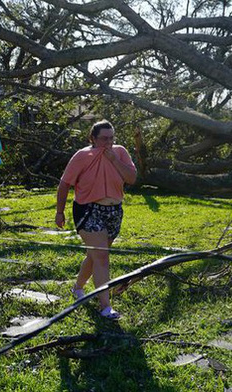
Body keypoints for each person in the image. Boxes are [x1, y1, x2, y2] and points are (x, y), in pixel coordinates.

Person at [55, 120, 137, 319]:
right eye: (103, 139)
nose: (108, 143)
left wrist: (114, 160)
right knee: (102, 257)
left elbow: (132, 178)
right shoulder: (82, 156)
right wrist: (60, 211)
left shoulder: (120, 152)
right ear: (93, 138)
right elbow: (64, 184)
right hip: (88, 209)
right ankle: (105, 306)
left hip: (114, 211)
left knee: (96, 255)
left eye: (111, 138)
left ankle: (77, 288)